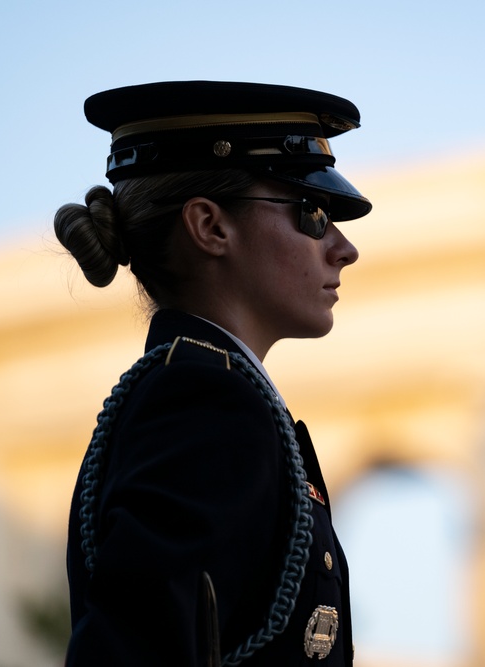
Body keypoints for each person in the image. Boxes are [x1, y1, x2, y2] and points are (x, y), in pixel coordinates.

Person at [54, 81, 371, 666]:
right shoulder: (206, 403)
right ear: (210, 227)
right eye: (314, 214)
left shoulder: (206, 392)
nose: (344, 248)